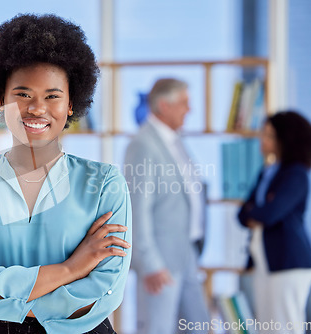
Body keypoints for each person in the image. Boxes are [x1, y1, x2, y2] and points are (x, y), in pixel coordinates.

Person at [0, 14, 132, 334]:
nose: (37, 108)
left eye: (52, 96)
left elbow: (104, 293)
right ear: (1, 101)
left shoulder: (105, 183)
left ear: (71, 104)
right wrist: (71, 268)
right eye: (23, 94)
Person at [124, 78, 210, 334]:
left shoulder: (175, 141)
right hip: (160, 261)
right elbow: (137, 209)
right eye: (184, 103)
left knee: (197, 326)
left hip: (187, 252)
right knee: (157, 328)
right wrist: (149, 262)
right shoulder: (143, 145)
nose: (189, 110)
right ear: (163, 105)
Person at [238, 111, 311, 334]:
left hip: (288, 263)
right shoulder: (267, 172)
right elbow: (242, 215)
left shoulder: (296, 174)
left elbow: (269, 214)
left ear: (285, 139)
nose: (263, 139)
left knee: (286, 326)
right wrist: (258, 212)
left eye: (269, 135)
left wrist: (257, 212)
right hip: (264, 265)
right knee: (267, 327)